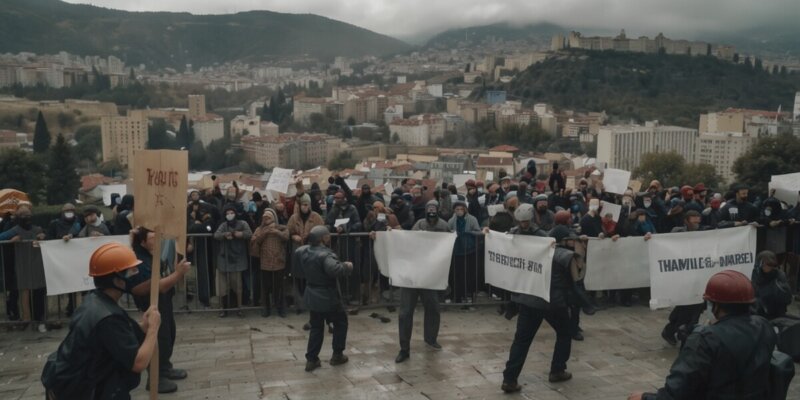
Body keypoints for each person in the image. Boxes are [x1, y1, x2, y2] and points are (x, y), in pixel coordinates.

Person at [629, 270, 777, 400]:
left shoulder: (705, 339)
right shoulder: (764, 325)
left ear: (716, 306)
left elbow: (677, 392)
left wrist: (645, 397)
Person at [40, 243, 161, 400]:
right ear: (117, 280)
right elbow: (138, 363)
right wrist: (153, 329)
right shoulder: (108, 317)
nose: (135, 274)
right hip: (83, 390)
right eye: (131, 271)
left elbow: (108, 337)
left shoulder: (94, 300)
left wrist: (141, 327)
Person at [501, 225, 578, 393]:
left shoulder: (535, 251)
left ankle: (509, 379)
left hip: (529, 301)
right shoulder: (561, 254)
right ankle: (557, 370)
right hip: (552, 304)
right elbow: (578, 272)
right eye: (570, 240)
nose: (573, 243)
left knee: (521, 341)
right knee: (565, 333)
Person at [127, 228, 191, 394]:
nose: (157, 241)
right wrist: (178, 274)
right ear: (142, 241)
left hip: (165, 302)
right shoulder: (138, 259)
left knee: (169, 334)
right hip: (152, 304)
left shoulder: (153, 255)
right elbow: (155, 286)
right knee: (158, 337)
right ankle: (156, 377)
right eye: (152, 238)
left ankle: (165, 367)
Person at [292, 226, 353, 372]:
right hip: (328, 296)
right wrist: (346, 266)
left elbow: (297, 271)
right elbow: (335, 270)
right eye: (326, 236)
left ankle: (311, 360)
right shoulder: (325, 255)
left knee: (316, 327)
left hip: (312, 294)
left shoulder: (302, 251)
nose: (329, 238)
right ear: (322, 238)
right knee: (340, 322)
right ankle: (337, 355)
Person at [396, 200, 451, 364]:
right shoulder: (419, 224)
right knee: (405, 313)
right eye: (429, 213)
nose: (431, 217)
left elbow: (449, 246)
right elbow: (409, 241)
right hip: (412, 274)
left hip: (430, 276)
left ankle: (431, 338)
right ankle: (404, 348)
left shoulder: (444, 225)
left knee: (433, 308)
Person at [660, 210, 708, 345]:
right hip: (682, 275)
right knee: (685, 305)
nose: (697, 222)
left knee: (697, 304)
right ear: (686, 220)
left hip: (698, 274)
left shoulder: (704, 231)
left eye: (698, 219)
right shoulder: (677, 231)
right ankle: (673, 330)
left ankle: (686, 331)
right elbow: (665, 243)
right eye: (694, 219)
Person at [214, 204, 253, 318]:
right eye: (227, 213)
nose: (229, 215)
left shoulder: (243, 223)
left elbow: (249, 233)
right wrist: (224, 235)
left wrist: (240, 234)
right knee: (222, 286)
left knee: (238, 286)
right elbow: (216, 235)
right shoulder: (223, 225)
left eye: (231, 213)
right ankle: (223, 309)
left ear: (235, 214)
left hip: (237, 258)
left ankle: (239, 308)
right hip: (224, 258)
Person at [251, 208, 290, 318]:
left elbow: (286, 237)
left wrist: (276, 232)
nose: (266, 219)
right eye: (264, 217)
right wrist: (265, 232)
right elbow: (255, 240)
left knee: (279, 286)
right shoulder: (260, 229)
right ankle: (266, 308)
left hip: (279, 260)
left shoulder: (282, 228)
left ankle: (280, 308)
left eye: (268, 217)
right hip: (265, 261)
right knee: (266, 287)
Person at [447, 200, 481, 304]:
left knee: (469, 274)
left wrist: (469, 233)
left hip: (469, 250)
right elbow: (448, 231)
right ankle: (456, 295)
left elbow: (478, 231)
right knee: (456, 274)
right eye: (457, 209)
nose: (459, 211)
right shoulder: (452, 220)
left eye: (461, 209)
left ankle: (468, 295)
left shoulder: (472, 219)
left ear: (465, 209)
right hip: (456, 251)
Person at [751, 250, 792, 320]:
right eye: (762, 263)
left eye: (767, 263)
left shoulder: (779, 275)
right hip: (760, 313)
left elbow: (787, 298)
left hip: (777, 313)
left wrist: (774, 288)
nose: (765, 266)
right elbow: (754, 293)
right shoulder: (757, 273)